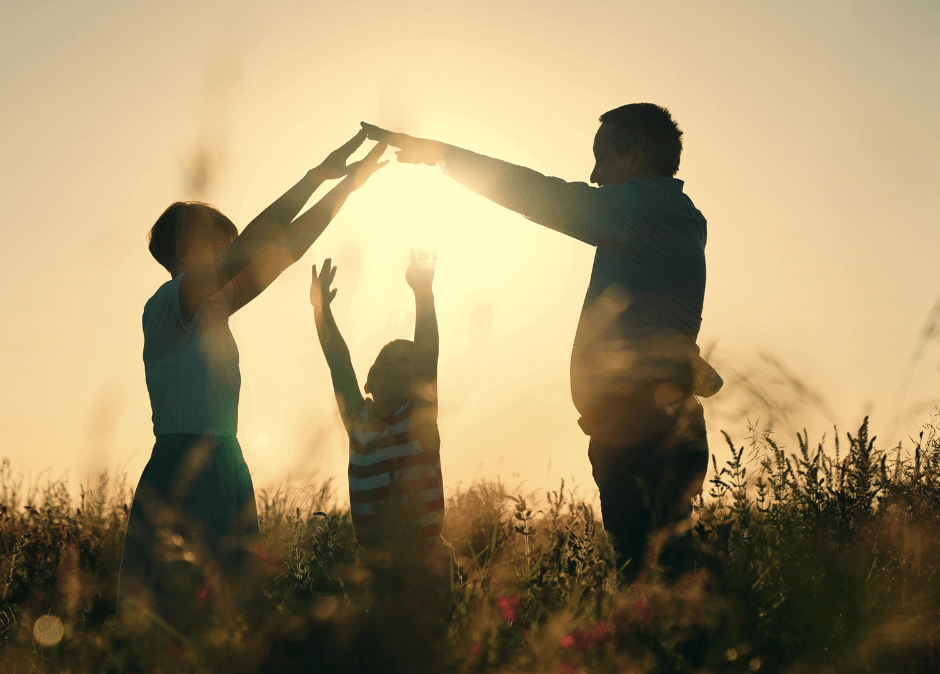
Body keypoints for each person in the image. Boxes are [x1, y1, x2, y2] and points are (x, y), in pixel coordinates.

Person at [362, 104, 723, 581]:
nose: (594, 176)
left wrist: (443, 155)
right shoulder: (675, 217)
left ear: (634, 157)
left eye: (602, 158)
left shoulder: (648, 208)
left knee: (649, 578)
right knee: (663, 567)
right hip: (643, 424)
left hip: (641, 429)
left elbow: (544, 196)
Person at [117, 131, 388, 632]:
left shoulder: (213, 308)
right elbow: (253, 249)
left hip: (223, 463)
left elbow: (283, 248)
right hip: (185, 466)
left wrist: (347, 187)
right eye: (220, 240)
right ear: (190, 246)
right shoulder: (168, 304)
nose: (230, 248)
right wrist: (312, 178)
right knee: (173, 616)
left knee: (226, 615)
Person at [309, 249, 443, 551]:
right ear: (369, 380)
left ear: (417, 386)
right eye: (388, 362)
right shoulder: (359, 424)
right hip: (376, 565)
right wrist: (321, 310)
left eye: (406, 365)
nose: (397, 365)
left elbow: (427, 352)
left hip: (424, 561)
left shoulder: (418, 419)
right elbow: (339, 363)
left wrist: (423, 292)